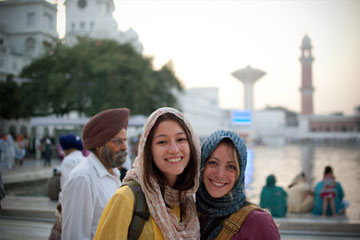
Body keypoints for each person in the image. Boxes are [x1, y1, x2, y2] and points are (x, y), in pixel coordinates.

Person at [95, 107, 201, 239]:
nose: (174, 149)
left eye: (180, 139)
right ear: (148, 151)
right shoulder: (126, 198)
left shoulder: (187, 203)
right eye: (162, 142)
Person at [196, 130, 280, 239]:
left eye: (231, 167)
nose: (220, 174)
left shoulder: (259, 222)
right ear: (202, 165)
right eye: (213, 163)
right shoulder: (186, 213)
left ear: (240, 173)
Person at [61, 108, 130, 240]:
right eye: (117, 141)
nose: (124, 147)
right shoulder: (83, 178)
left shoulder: (114, 173)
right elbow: (74, 236)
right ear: (98, 144)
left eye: (124, 140)